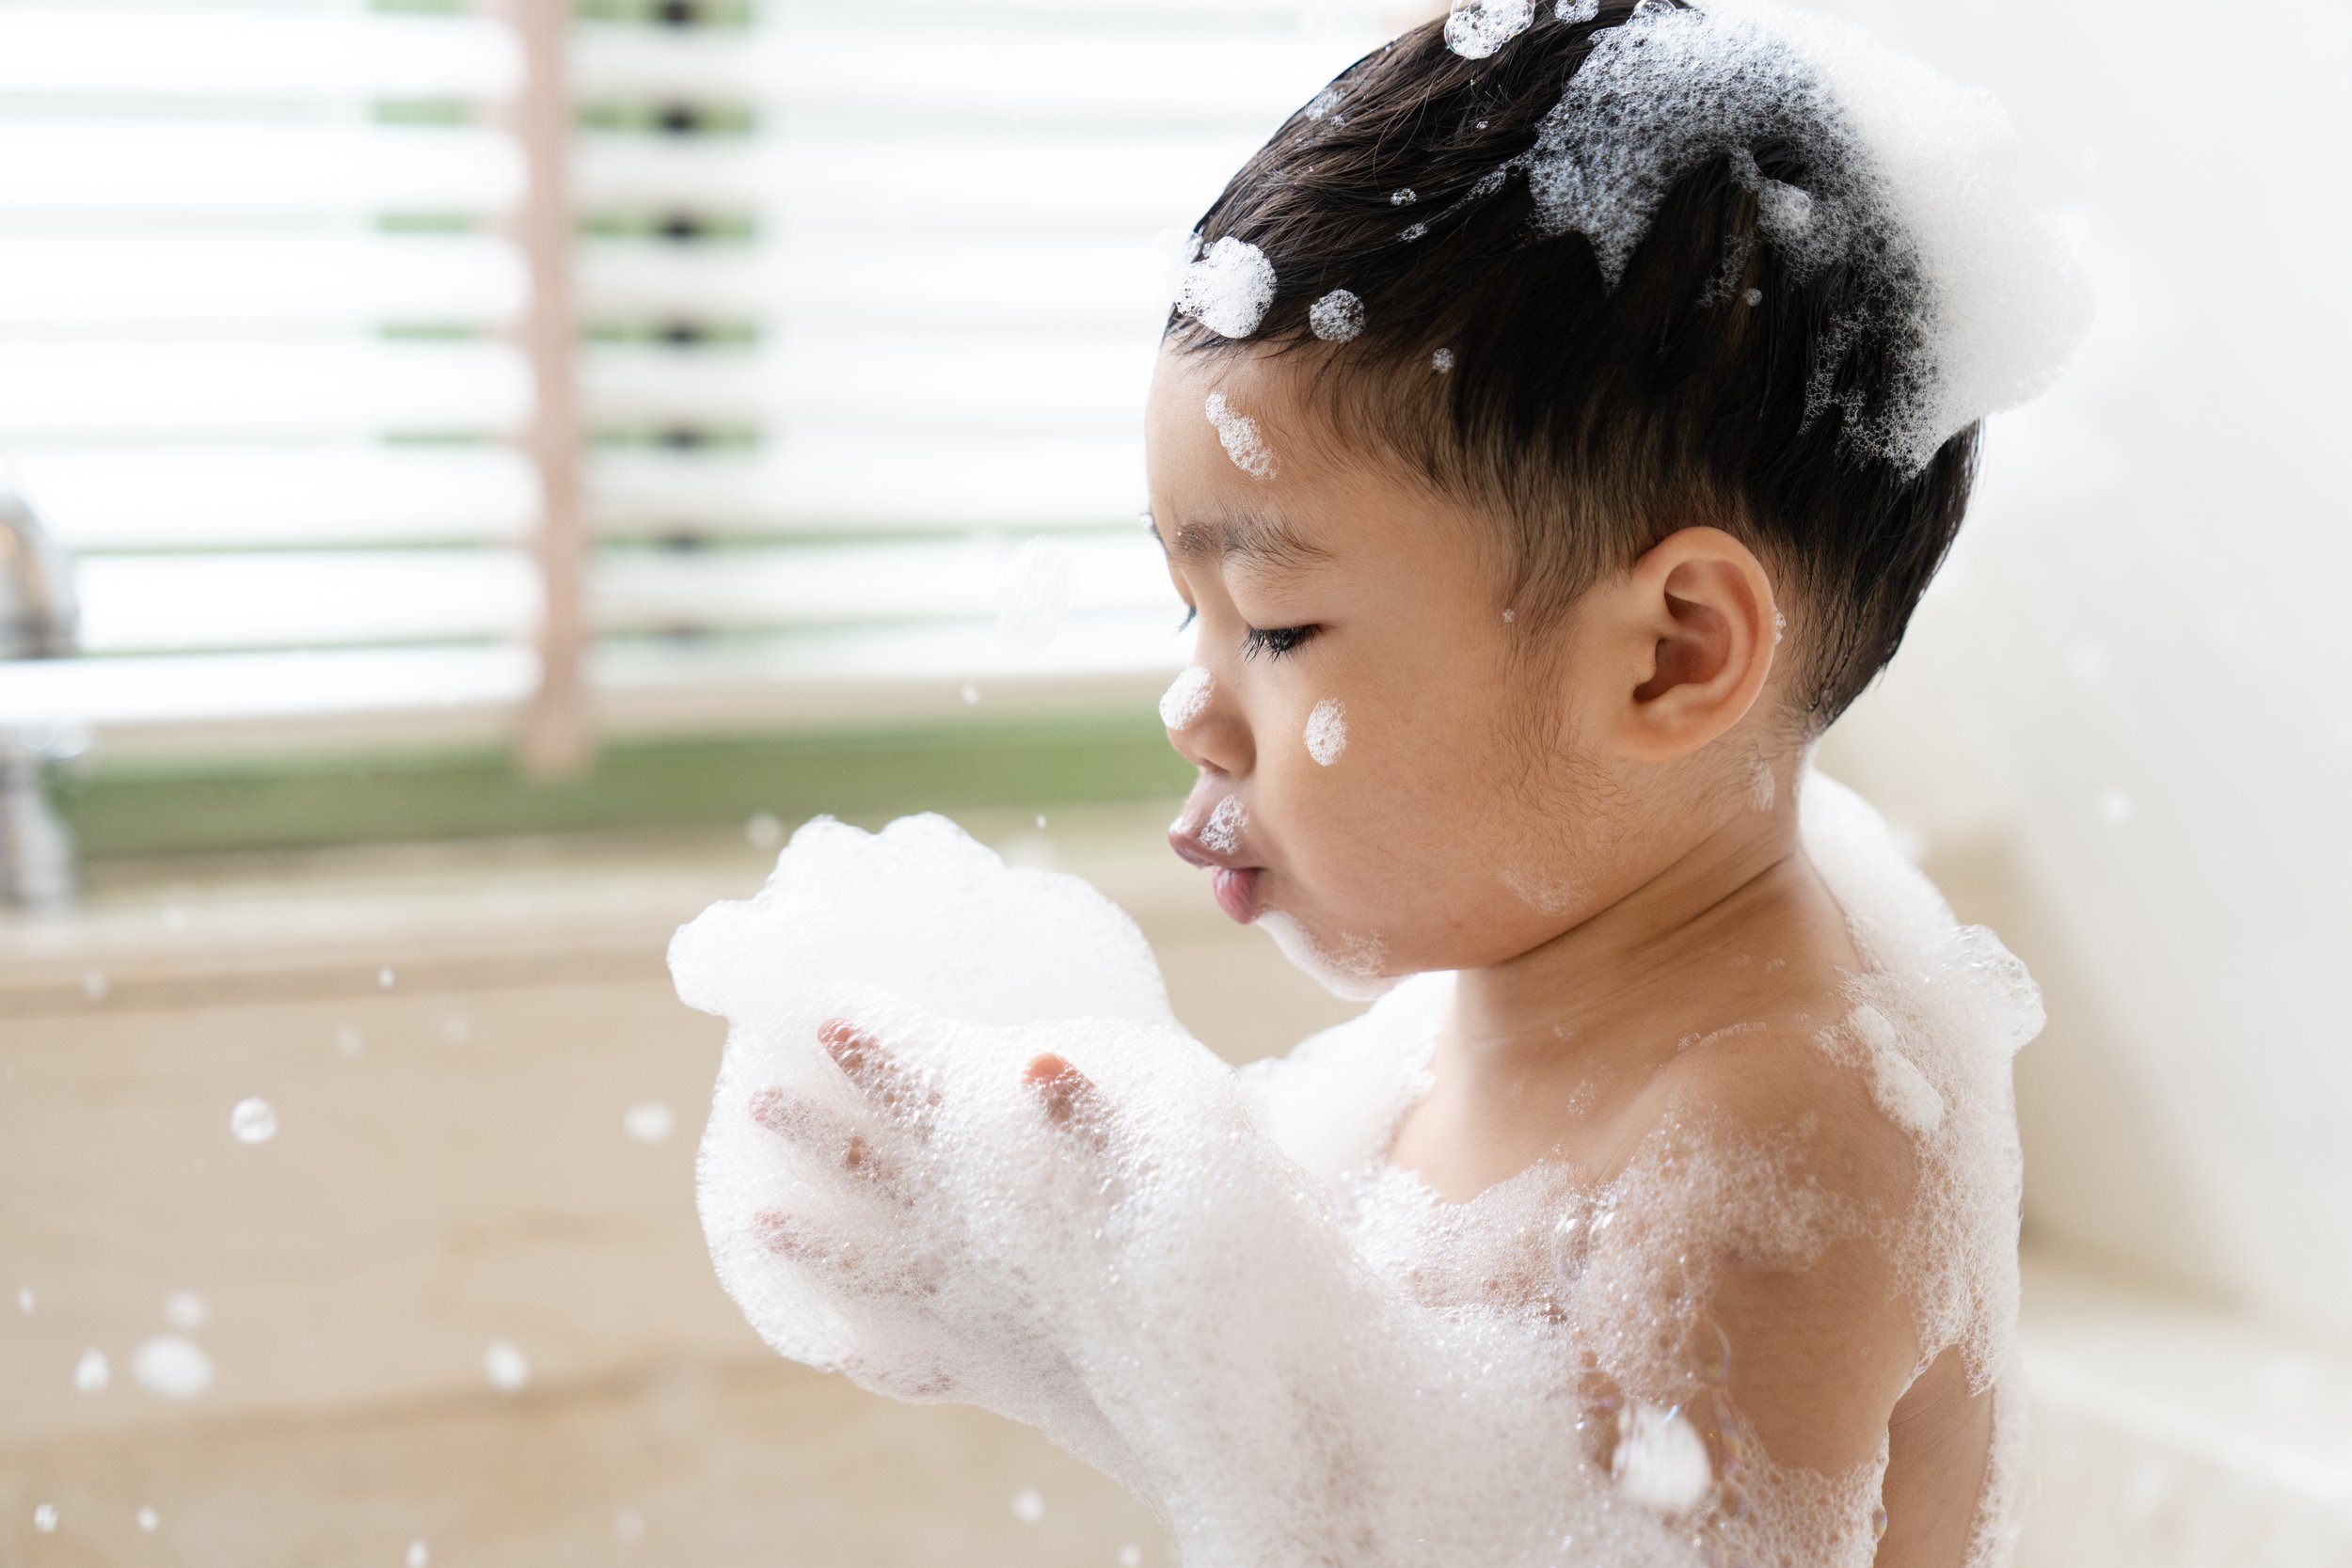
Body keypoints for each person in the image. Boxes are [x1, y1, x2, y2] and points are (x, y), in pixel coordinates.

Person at [699, 5, 2076, 1563]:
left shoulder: (1774, 1148)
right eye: (1190, 612)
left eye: (1277, 625)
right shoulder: (1493, 1002)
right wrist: (1079, 1319)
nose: (1191, 702)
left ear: (1672, 658)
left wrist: (1150, 1333)